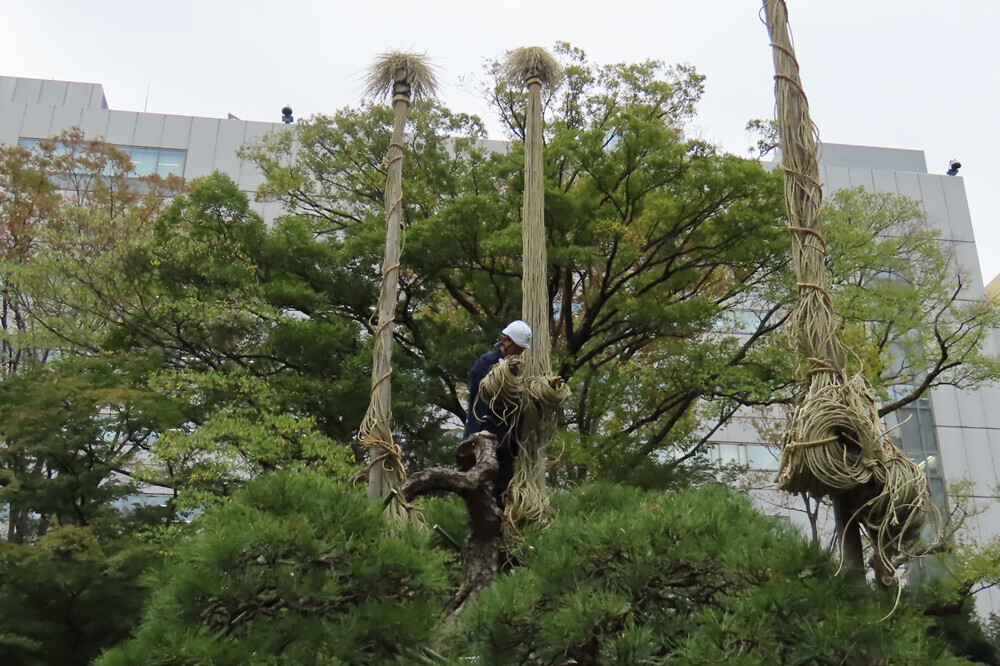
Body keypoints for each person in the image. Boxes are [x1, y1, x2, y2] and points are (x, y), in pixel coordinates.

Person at [463, 320, 532, 508]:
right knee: (481, 489)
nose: (520, 354)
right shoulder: (487, 364)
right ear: (506, 341)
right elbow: (485, 397)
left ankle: (502, 529)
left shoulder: (515, 370)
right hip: (484, 434)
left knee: (503, 489)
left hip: (506, 439)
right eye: (518, 348)